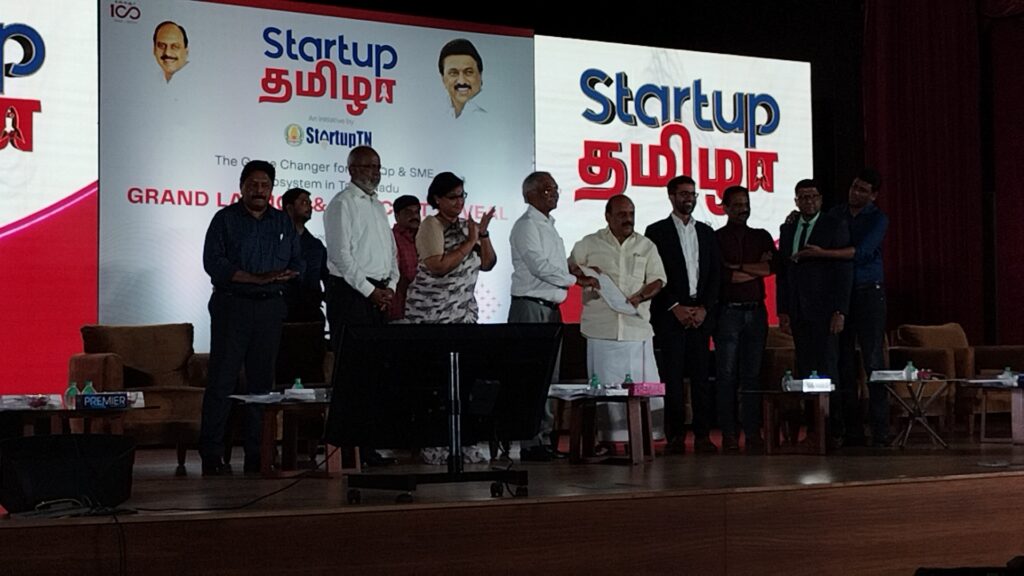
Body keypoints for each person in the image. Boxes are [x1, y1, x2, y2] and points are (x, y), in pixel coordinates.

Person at [200, 160, 302, 475]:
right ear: (241, 187)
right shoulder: (225, 219)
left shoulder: (282, 222)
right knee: (222, 382)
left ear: (272, 189)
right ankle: (212, 455)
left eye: (265, 185)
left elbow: (298, 261)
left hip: (270, 308)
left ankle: (258, 454)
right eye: (253, 185)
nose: (259, 190)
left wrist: (285, 275)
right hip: (233, 306)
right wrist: (254, 279)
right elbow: (213, 263)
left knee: (262, 385)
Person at [795, 168, 889, 447]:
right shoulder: (836, 214)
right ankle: (851, 430)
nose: (855, 193)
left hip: (868, 292)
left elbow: (860, 252)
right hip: (839, 296)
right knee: (842, 362)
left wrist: (823, 254)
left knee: (873, 361)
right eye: (853, 187)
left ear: (873, 195)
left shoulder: (878, 219)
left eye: (863, 190)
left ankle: (881, 431)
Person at [509, 171, 585, 461]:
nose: (553, 193)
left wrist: (573, 269)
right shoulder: (526, 225)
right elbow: (539, 266)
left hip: (551, 309)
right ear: (529, 194)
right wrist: (575, 280)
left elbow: (552, 267)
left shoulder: (549, 226)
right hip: (530, 307)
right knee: (530, 376)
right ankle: (529, 442)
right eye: (546, 189)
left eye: (555, 188)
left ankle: (544, 438)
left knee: (549, 377)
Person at [645, 175, 721, 455]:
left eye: (692, 194)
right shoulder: (656, 231)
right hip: (671, 315)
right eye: (684, 194)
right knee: (673, 378)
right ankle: (675, 436)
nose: (689, 198)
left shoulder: (707, 232)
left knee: (701, 379)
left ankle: (702, 435)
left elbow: (715, 275)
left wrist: (704, 308)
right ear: (671, 196)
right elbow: (653, 274)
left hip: (700, 314)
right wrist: (674, 306)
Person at [776, 179, 852, 443]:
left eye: (813, 196)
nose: (809, 201)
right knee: (805, 370)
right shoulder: (787, 228)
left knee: (828, 368)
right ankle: (813, 429)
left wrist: (840, 310)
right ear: (796, 201)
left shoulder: (833, 225)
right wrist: (783, 310)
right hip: (798, 311)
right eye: (803, 197)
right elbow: (784, 274)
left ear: (820, 199)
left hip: (825, 310)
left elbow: (844, 271)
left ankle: (833, 429)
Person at [569, 194, 666, 394]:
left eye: (631, 214)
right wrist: (583, 275)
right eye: (622, 214)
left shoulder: (646, 246)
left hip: (636, 332)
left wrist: (640, 297)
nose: (628, 219)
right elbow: (569, 269)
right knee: (606, 397)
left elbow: (658, 280)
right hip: (601, 332)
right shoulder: (590, 243)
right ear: (608, 216)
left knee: (646, 396)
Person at [714, 185, 776, 453]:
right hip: (728, 312)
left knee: (752, 376)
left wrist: (738, 267)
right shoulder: (716, 238)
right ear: (725, 208)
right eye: (737, 205)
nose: (743, 209)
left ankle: (752, 434)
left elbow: (771, 268)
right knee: (726, 376)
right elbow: (724, 276)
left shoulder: (761, 236)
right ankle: (729, 434)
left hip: (756, 312)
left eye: (746, 204)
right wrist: (754, 270)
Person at [323, 145, 399, 335]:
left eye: (378, 167)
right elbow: (340, 256)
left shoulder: (378, 205)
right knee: (352, 352)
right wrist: (370, 291)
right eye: (369, 167)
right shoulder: (342, 203)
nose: (376, 173)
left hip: (380, 294)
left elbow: (391, 251)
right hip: (351, 294)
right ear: (352, 170)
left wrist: (391, 286)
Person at [404, 172, 496, 323]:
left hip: (463, 315)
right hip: (430, 315)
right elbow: (438, 267)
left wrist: (484, 234)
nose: (459, 201)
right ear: (437, 199)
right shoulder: (431, 224)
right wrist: (470, 242)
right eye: (453, 197)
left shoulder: (468, 226)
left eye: (462, 196)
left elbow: (487, 264)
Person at [281, 187, 327, 322]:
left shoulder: (316, 244)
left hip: (311, 311)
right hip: (282, 311)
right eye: (304, 202)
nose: (310, 207)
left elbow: (326, 275)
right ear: (289, 208)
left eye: (310, 203)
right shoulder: (275, 240)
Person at [390, 195, 421, 321]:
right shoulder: (391, 238)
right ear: (396, 216)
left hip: (425, 309)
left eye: (417, 212)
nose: (414, 216)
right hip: (399, 310)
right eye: (408, 212)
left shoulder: (425, 237)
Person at [438, 38, 484, 119]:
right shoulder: (438, 114)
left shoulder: (489, 115)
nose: (461, 81)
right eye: (453, 73)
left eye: (468, 72)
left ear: (480, 75)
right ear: (443, 79)